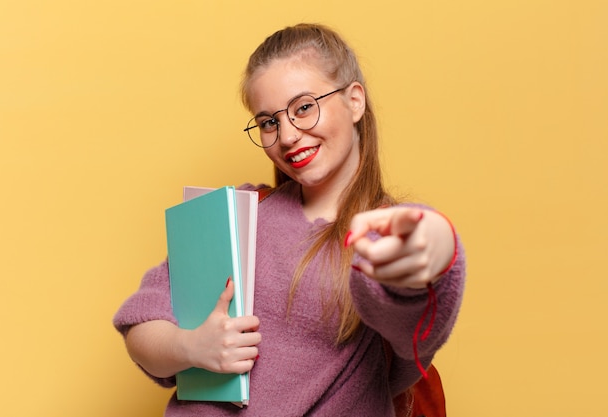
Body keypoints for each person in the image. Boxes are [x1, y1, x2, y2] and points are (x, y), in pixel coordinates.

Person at [114, 23, 465, 416]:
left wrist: (437, 246)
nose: (287, 135)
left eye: (303, 108)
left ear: (354, 101)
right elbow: (141, 323)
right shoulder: (239, 211)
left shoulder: (383, 235)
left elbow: (416, 304)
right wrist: (191, 346)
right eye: (268, 122)